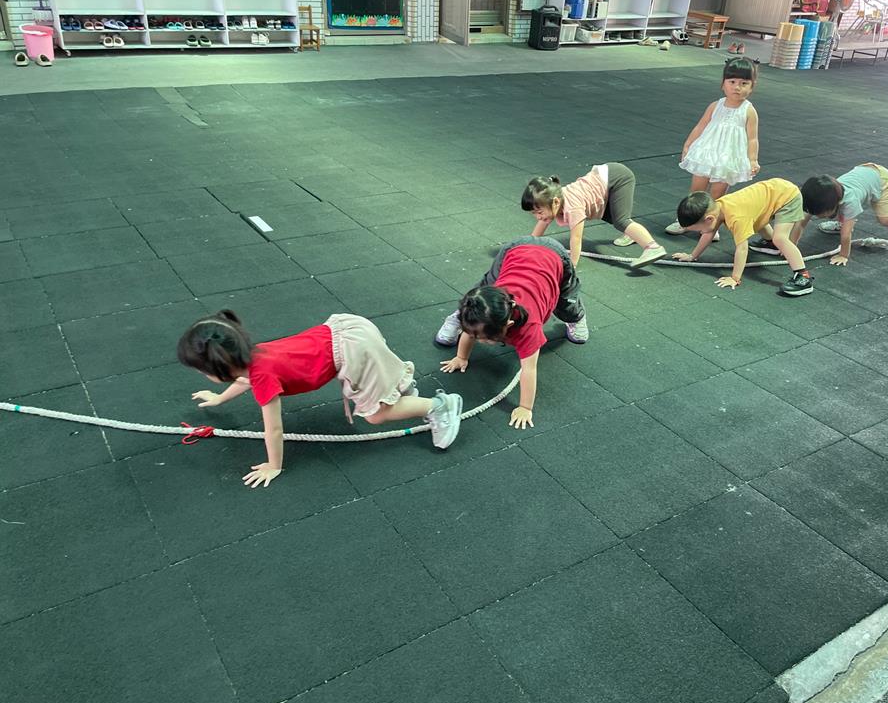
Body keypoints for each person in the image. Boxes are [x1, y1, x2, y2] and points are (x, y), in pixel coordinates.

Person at [178, 310, 463, 488]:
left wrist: (274, 465)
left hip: (352, 351)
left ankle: (439, 407)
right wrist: (219, 399)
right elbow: (244, 380)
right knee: (377, 381)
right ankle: (397, 389)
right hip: (348, 331)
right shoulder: (254, 355)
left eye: (202, 370)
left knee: (376, 415)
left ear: (220, 368)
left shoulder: (262, 375)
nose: (201, 374)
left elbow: (273, 428)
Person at [435, 236, 587, 429]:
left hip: (555, 256)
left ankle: (577, 318)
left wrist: (525, 407)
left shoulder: (529, 327)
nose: (480, 341)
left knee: (567, 302)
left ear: (509, 324)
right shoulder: (492, 303)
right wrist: (461, 357)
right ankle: (460, 316)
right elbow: (470, 333)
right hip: (515, 250)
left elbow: (529, 369)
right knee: (479, 295)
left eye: (486, 338)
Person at [616, 57, 759, 250]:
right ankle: (686, 220)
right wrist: (688, 145)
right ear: (723, 84)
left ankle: (712, 225)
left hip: (728, 158)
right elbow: (700, 126)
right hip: (707, 153)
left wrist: (752, 159)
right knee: (697, 190)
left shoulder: (748, 111)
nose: (737, 87)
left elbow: (752, 138)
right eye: (732, 82)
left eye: (744, 83)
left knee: (718, 194)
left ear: (752, 86)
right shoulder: (715, 106)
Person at [671, 178, 814, 296]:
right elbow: (708, 233)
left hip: (787, 197)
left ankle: (803, 277)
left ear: (709, 219)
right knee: (756, 221)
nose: (700, 232)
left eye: (698, 229)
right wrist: (692, 256)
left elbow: (742, 249)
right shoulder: (717, 207)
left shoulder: (736, 217)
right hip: (773, 193)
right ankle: (771, 244)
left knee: (780, 238)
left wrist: (735, 278)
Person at [522, 163, 667, 270]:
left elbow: (576, 238)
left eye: (539, 212)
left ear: (555, 202)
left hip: (618, 177)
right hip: (605, 180)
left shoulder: (572, 207)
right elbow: (542, 224)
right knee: (610, 216)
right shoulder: (553, 200)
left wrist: (572, 265)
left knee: (621, 220)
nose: (538, 217)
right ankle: (633, 234)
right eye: (534, 213)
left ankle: (652, 247)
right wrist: (527, 247)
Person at [802, 164, 888, 263]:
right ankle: (842, 223)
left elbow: (846, 235)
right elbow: (801, 222)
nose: (817, 216)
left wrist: (843, 255)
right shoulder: (827, 194)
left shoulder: (851, 202)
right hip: (865, 172)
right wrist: (792, 244)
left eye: (821, 214)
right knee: (842, 212)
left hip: (882, 180)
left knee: (885, 219)